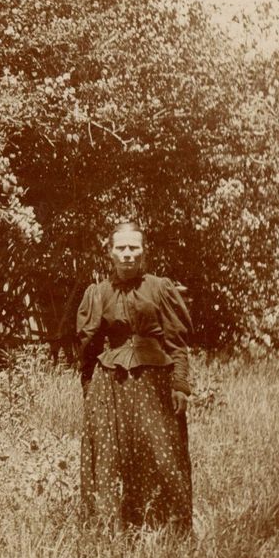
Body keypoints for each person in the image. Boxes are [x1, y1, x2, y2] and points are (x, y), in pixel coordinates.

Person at [75, 221, 195, 533]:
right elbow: (88, 349)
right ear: (110, 252)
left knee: (162, 456)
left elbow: (177, 343)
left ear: (143, 251)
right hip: (110, 387)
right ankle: (113, 530)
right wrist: (89, 388)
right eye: (121, 248)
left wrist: (180, 384)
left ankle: (165, 530)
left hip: (155, 387)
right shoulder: (98, 293)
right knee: (111, 457)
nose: (127, 254)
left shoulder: (160, 288)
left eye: (134, 247)